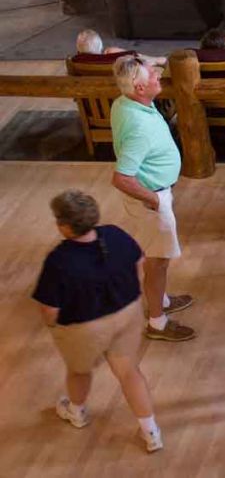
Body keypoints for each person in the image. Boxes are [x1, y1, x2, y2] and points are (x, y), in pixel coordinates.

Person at [33, 190, 163, 452]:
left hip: (83, 327)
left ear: (65, 226)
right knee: (129, 372)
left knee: (80, 370)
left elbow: (49, 308)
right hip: (127, 313)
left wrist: (53, 327)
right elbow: (140, 261)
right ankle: (151, 432)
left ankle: (77, 412)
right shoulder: (115, 234)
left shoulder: (59, 260)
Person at [110, 55, 195, 342]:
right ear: (139, 88)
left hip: (155, 196)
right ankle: (157, 321)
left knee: (157, 257)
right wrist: (155, 200)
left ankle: (163, 300)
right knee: (158, 262)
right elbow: (122, 177)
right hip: (152, 201)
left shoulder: (125, 102)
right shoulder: (139, 127)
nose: (158, 76)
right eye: (152, 76)